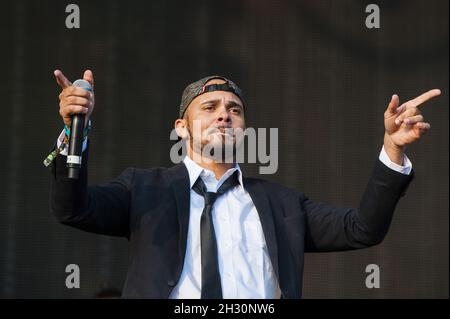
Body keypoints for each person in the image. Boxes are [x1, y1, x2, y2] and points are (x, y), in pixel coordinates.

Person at [48, 69, 441, 298]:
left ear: (244, 128)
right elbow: (73, 209)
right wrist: (75, 132)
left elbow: (362, 229)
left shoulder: (282, 203)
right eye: (210, 107)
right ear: (181, 128)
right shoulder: (144, 189)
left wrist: (392, 147)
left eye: (234, 110)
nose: (224, 115)